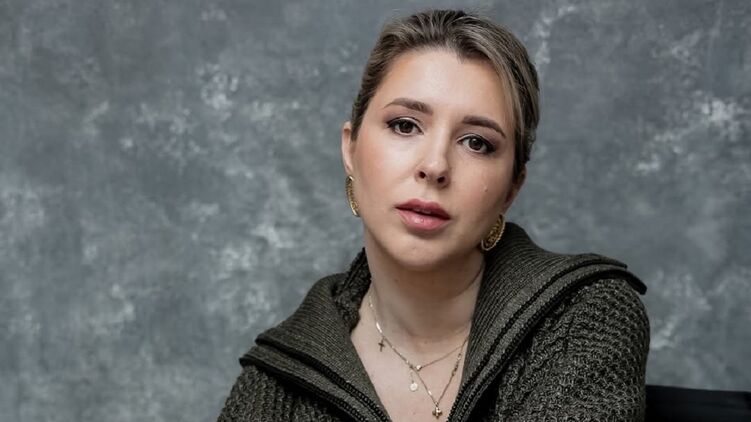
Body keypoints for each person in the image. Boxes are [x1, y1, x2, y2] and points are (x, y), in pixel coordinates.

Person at [217, 8, 650, 422]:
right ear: (351, 149)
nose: (436, 165)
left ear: (511, 188)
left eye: (477, 142)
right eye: (405, 125)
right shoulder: (274, 382)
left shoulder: (583, 317)